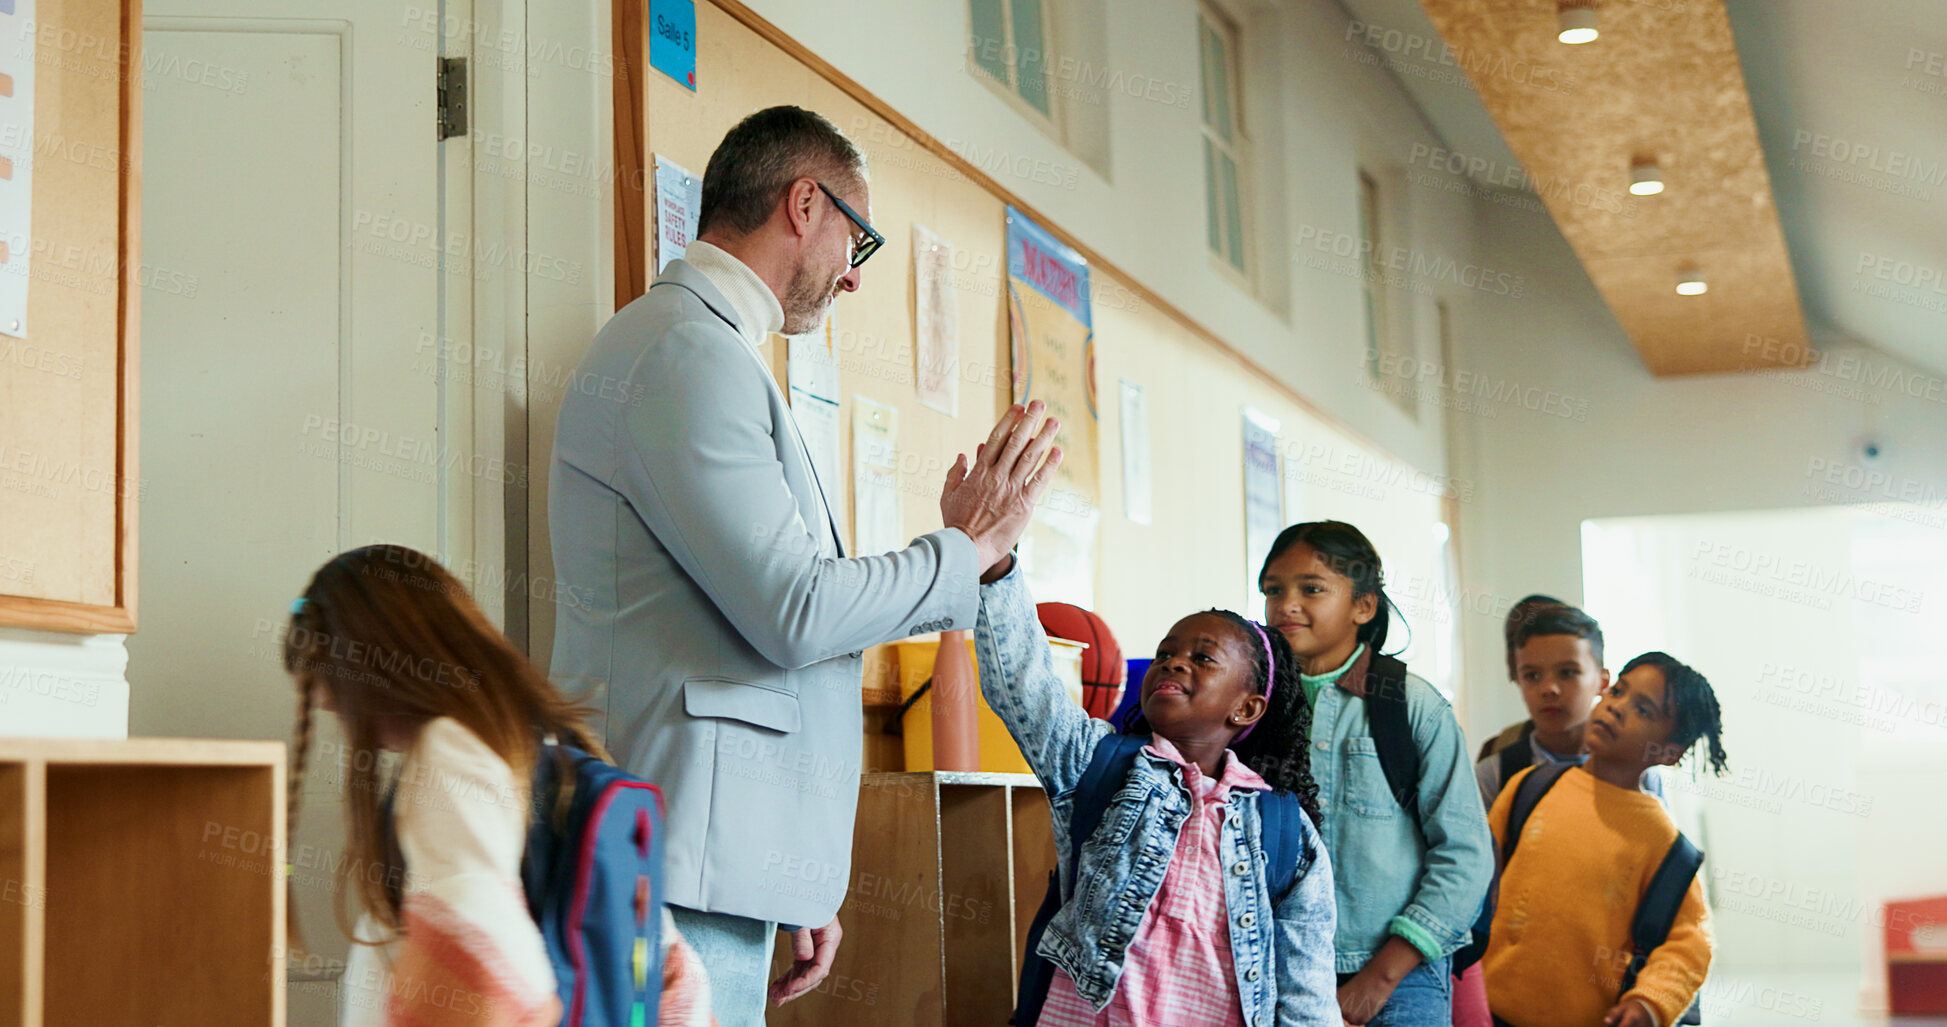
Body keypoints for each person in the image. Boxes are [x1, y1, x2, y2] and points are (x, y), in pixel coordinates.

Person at [548, 103, 1058, 1025]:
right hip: (671, 849)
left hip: (713, 850)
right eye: (857, 243)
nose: (852, 281)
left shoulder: (710, 352)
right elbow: (793, 610)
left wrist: (798, 868)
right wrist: (967, 548)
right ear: (804, 204)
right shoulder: (683, 351)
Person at [281, 545, 715, 1026]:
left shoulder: (450, 755)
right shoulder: (550, 749)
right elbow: (664, 962)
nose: (338, 715)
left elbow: (486, 960)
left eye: (336, 698)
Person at [974, 556, 1339, 1024]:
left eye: (1203, 657)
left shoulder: (1283, 829)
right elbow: (1023, 685)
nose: (1175, 662)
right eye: (1166, 654)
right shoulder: (1099, 764)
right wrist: (996, 567)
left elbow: (1306, 987)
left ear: (1246, 708)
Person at [1257, 521, 1493, 1026]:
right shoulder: (1252, 705)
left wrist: (1380, 978)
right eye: (1274, 590)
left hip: (1398, 973)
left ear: (1363, 606)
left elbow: (1466, 854)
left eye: (1311, 588)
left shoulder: (1412, 707)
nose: (1286, 605)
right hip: (1277, 969)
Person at [1482, 652, 1727, 1027]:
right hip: (1484, 1012)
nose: (1616, 708)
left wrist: (1650, 1003)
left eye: (1643, 710)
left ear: (1669, 752)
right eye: (1617, 691)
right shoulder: (1531, 787)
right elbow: (1477, 882)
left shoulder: (1662, 843)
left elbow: (1691, 942)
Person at [1473, 603, 1667, 807]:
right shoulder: (1495, 775)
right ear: (1519, 681)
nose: (1549, 689)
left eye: (1567, 672)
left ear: (1603, 682)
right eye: (1532, 675)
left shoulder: (1637, 771)